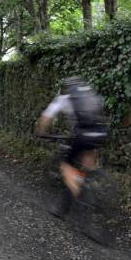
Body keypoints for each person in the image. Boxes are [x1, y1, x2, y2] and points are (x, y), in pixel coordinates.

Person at [35, 77, 108, 218]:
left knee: (66, 166)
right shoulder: (91, 95)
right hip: (100, 132)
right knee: (87, 166)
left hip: (83, 134)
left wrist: (41, 131)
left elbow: (46, 117)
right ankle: (89, 185)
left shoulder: (64, 98)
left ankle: (71, 204)